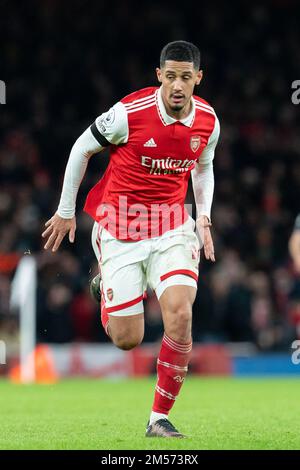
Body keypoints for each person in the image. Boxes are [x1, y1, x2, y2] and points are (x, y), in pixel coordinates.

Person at [42, 40, 220, 438]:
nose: (177, 85)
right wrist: (66, 210)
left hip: (173, 225)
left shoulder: (208, 120)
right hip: (121, 228)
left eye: (185, 78)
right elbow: (81, 148)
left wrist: (204, 214)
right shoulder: (129, 112)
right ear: (159, 76)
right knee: (128, 339)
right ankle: (105, 284)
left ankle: (158, 418)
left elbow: (203, 168)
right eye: (170, 76)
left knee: (180, 313)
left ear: (198, 79)